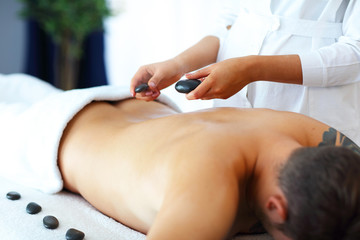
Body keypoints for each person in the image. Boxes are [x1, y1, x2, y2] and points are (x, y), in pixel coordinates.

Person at [1, 73, 360, 240]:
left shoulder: (304, 133)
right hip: (49, 135)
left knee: (16, 85)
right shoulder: (208, 195)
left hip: (129, 106)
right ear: (277, 207)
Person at [130, 0, 360, 146]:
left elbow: (355, 53)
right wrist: (177, 64)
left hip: (313, 114)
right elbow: (228, 25)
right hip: (234, 112)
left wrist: (251, 69)